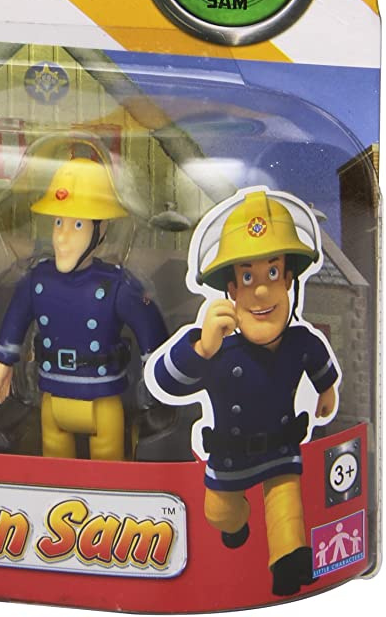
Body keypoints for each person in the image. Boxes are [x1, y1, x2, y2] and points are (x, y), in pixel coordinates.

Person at [147, 189, 339, 596]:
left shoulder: (299, 342)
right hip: (230, 457)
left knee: (287, 511)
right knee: (221, 513)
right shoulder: (219, 349)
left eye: (273, 273)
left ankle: (289, 565)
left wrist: (327, 390)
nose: (262, 292)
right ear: (232, 289)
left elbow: (318, 358)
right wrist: (200, 348)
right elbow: (165, 383)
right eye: (248, 278)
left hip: (282, 448)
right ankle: (236, 523)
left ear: (289, 280)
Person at [0, 156, 167, 460]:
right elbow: (14, 322)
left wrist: (157, 378)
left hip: (102, 399)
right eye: (58, 222)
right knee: (55, 464)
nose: (62, 236)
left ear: (101, 230)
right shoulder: (37, 279)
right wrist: (4, 363)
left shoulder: (116, 285)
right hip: (52, 394)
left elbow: (149, 328)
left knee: (108, 465)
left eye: (77, 225)